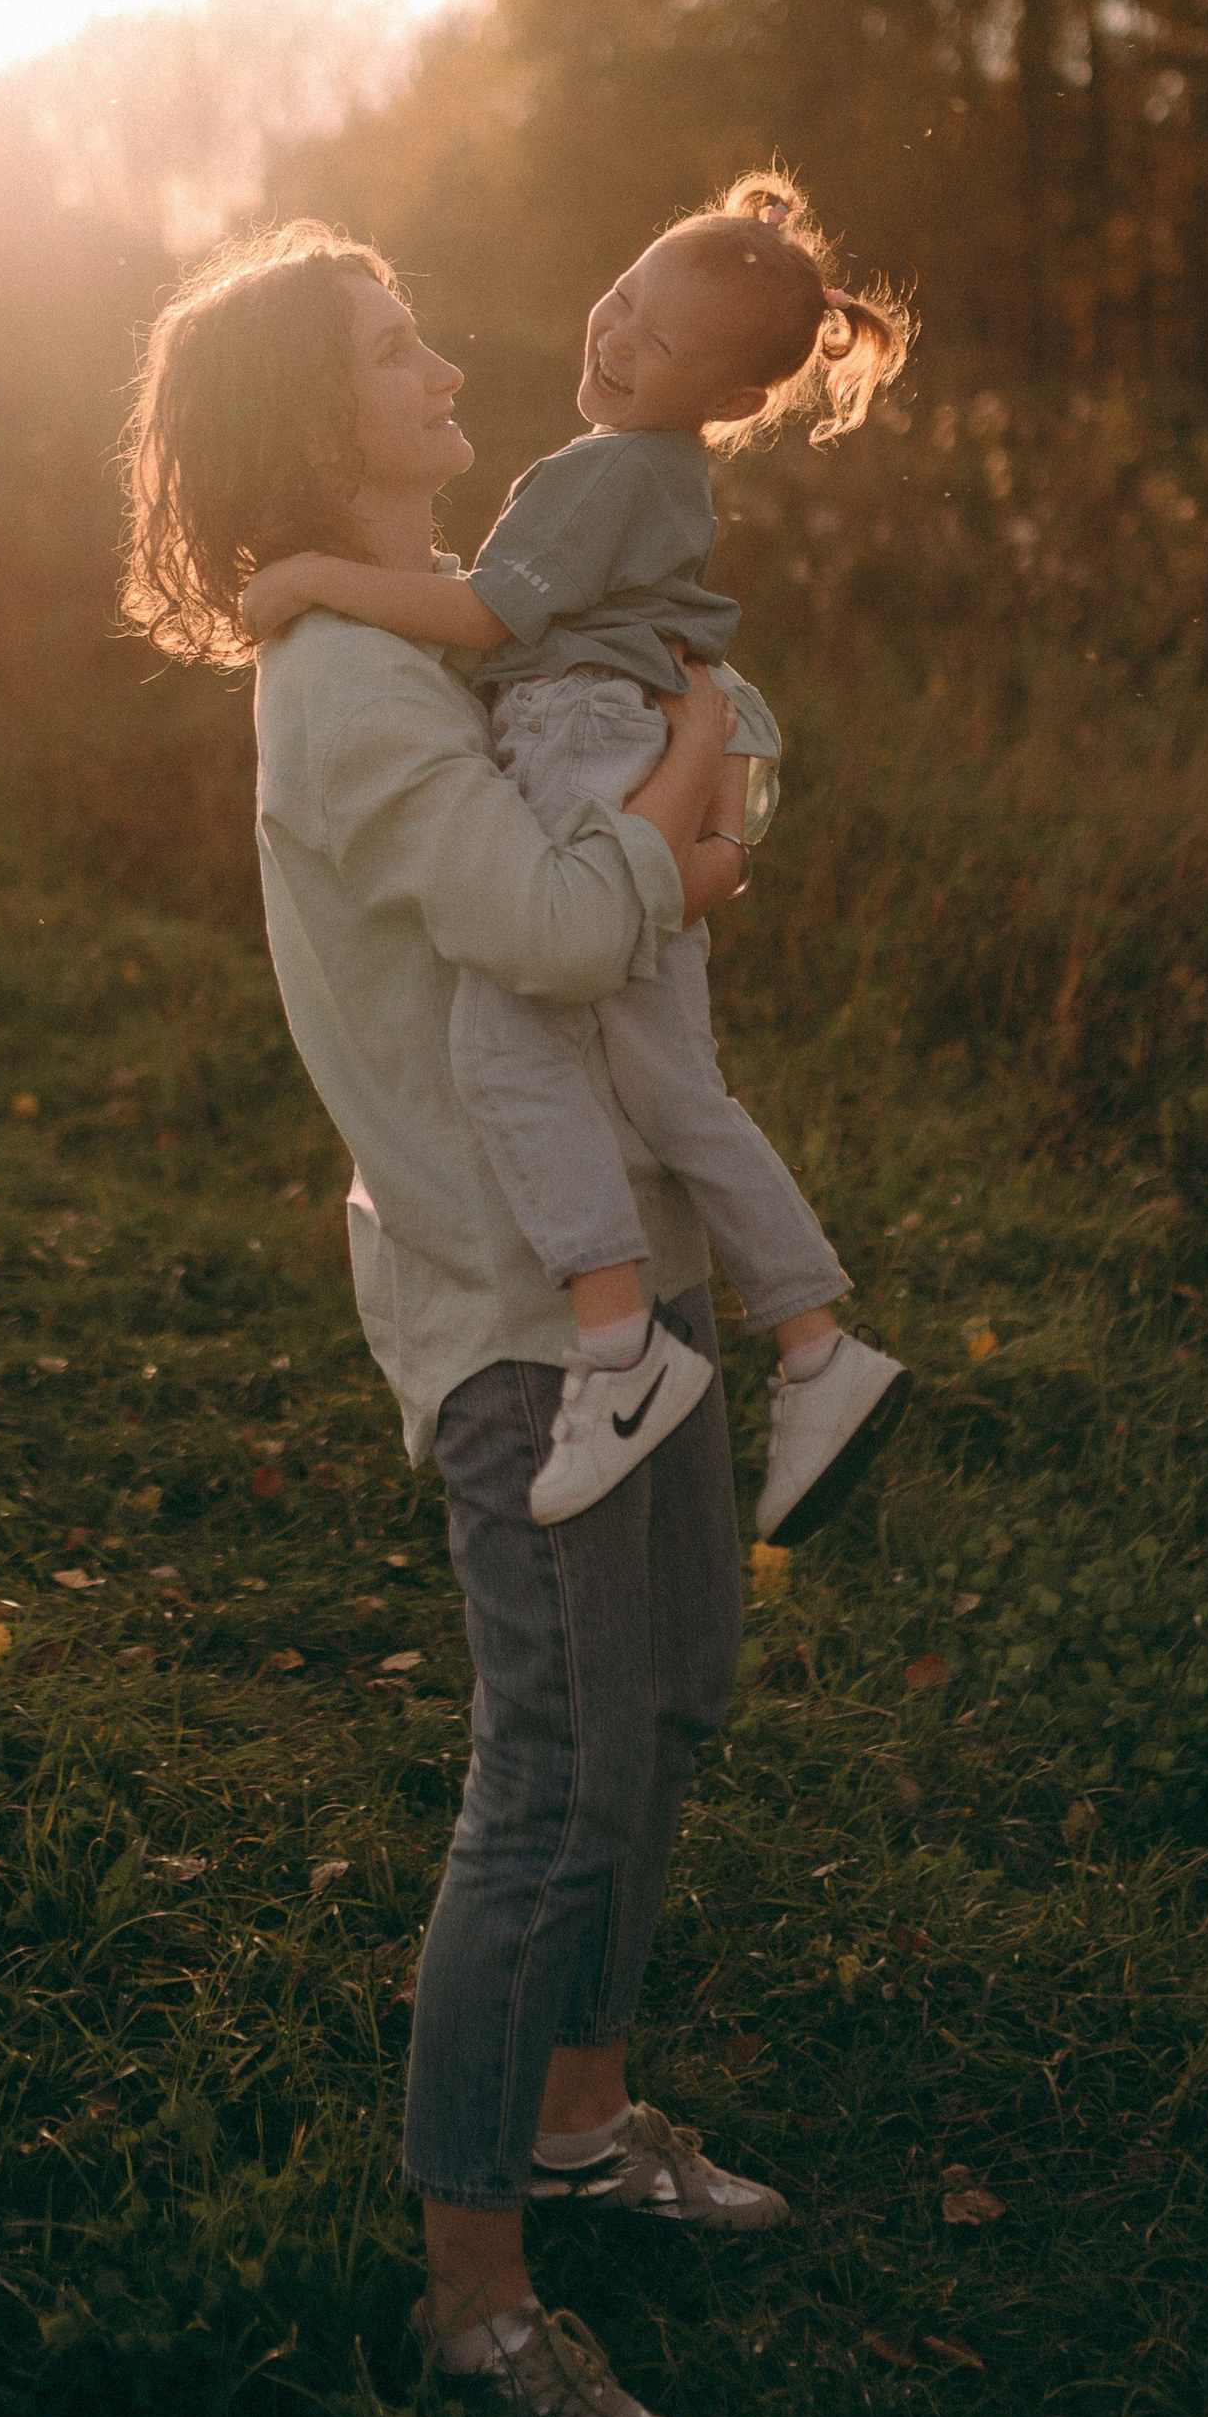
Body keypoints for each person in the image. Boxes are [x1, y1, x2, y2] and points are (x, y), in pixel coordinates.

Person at [120, 220, 804, 2417]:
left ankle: (588, 2125)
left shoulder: (511, 611)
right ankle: (475, 2297)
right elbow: (552, 911)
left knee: (675, 1686)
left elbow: (728, 781)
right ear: (313, 422)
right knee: (549, 1780)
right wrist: (686, 800)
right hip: (522, 1309)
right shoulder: (341, 683)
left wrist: (700, 772)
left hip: (640, 1244)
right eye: (395, 348)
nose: (448, 363)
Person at [239, 171, 913, 1543]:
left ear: (721, 395)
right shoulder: (662, 479)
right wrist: (711, 805)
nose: (610, 338)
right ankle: (816, 1345)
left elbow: (487, 618)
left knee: (510, 1044)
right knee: (680, 1091)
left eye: (654, 340)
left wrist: (309, 582)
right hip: (623, 739)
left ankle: (619, 1351)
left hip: (578, 751)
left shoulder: (592, 473)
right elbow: (715, 683)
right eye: (619, 301)